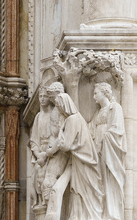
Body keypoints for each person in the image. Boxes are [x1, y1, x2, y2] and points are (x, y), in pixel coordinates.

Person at [45, 91, 103, 220]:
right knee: (78, 191)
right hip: (80, 160)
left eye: (59, 106)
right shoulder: (77, 118)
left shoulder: (72, 120)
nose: (58, 109)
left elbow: (66, 146)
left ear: (64, 105)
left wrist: (51, 150)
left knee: (80, 191)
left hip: (82, 161)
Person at [89, 83, 126, 220]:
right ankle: (99, 210)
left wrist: (104, 140)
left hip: (108, 150)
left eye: (96, 93)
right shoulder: (98, 112)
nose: (93, 97)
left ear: (104, 92)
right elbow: (91, 127)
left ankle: (110, 213)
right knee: (98, 180)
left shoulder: (115, 108)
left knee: (108, 179)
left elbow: (117, 129)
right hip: (97, 149)